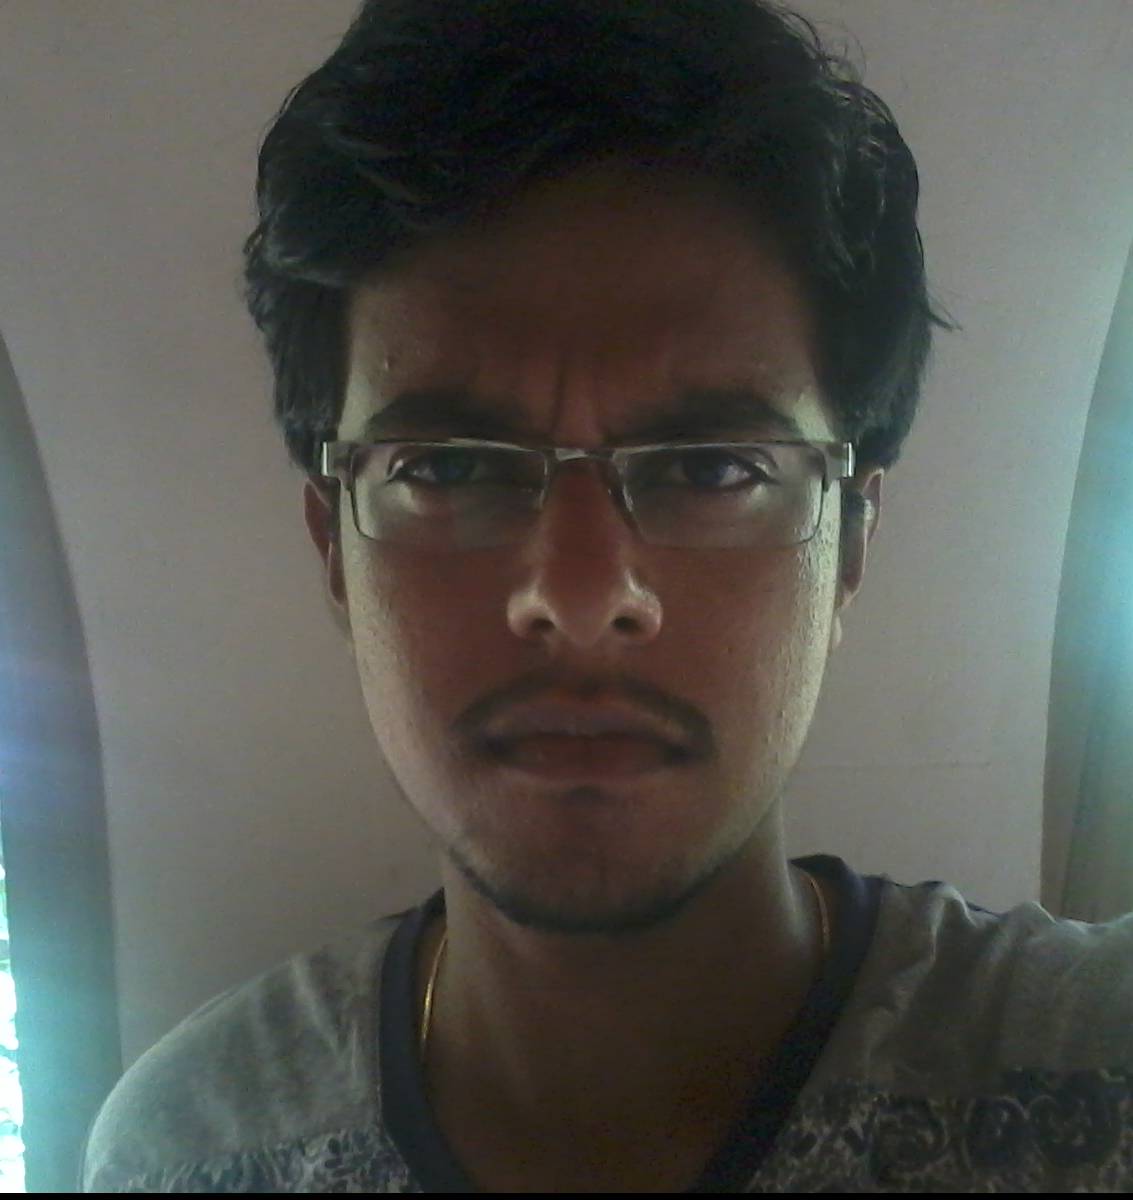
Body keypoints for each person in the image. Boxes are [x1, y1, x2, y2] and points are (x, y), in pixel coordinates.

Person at [82, 0, 1133, 1192]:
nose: (579, 596)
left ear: (848, 542)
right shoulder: (189, 1151)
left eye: (712, 470)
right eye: (449, 470)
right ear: (334, 548)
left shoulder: (1093, 1077)